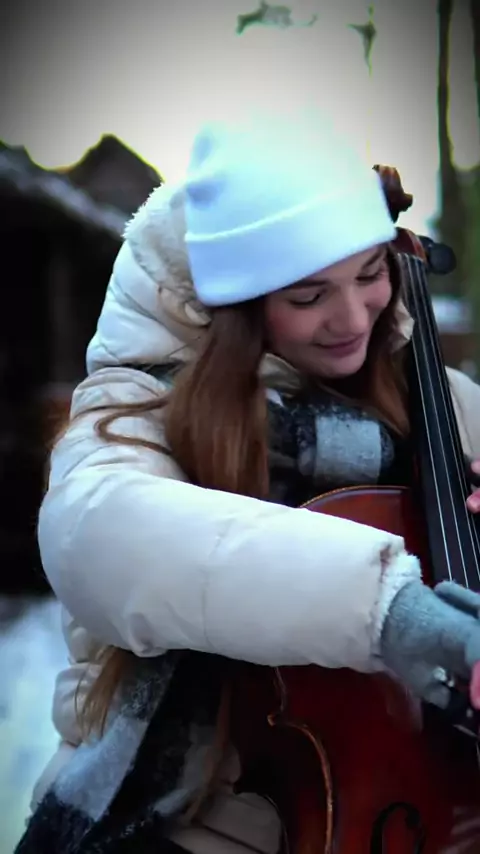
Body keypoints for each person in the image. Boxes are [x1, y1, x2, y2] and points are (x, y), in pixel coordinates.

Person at [17, 112, 480, 854]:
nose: (353, 317)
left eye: (371, 274)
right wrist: (387, 608)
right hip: (188, 819)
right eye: (308, 296)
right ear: (239, 304)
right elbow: (97, 534)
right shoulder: (134, 407)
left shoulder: (444, 404)